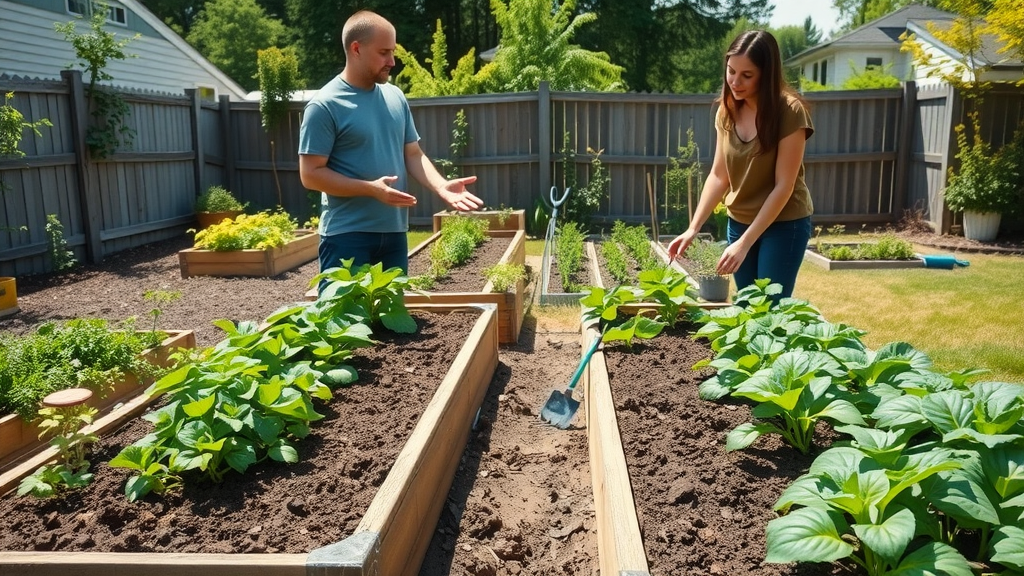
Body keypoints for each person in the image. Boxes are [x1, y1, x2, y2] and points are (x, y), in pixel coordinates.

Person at [298, 10, 482, 288]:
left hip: (394, 232)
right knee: (346, 326)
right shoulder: (325, 105)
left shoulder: (395, 96)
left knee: (392, 327)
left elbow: (413, 154)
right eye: (384, 52)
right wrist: (371, 189)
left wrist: (441, 186)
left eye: (392, 52)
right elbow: (310, 174)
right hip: (347, 235)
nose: (392, 61)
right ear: (356, 49)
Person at [667, 30, 813, 300]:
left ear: (766, 74)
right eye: (731, 71)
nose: (735, 81)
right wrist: (693, 228)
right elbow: (718, 175)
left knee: (770, 308)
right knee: (747, 305)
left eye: (747, 75)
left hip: (784, 223)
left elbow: (784, 186)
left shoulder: (790, 112)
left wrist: (744, 245)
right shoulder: (727, 110)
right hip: (740, 221)